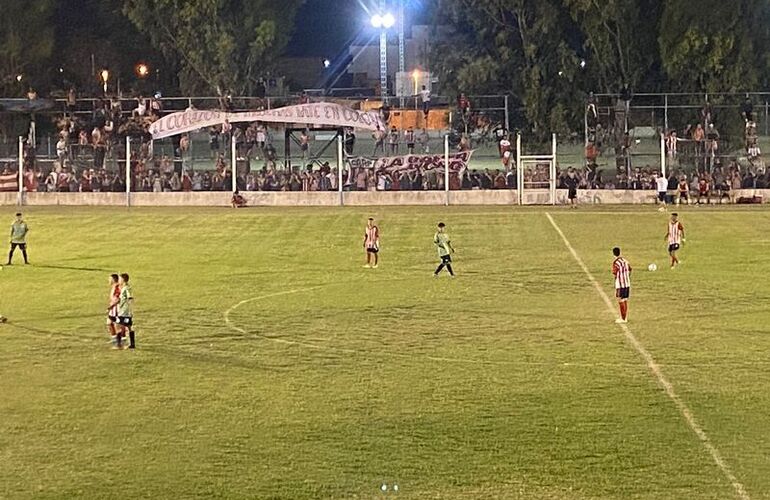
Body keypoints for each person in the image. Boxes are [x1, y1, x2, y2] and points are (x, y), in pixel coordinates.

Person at [109, 273, 135, 349]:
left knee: (118, 326)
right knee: (129, 327)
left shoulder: (126, 288)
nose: (119, 280)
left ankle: (119, 345)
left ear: (123, 280)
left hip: (124, 311)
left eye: (120, 279)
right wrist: (112, 306)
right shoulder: (124, 288)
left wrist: (129, 305)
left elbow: (130, 297)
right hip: (126, 311)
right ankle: (132, 344)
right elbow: (120, 299)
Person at [611, 247, 632, 324]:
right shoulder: (625, 261)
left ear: (613, 253)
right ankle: (625, 317)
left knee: (620, 301)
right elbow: (630, 270)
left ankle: (623, 319)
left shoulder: (616, 263)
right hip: (627, 283)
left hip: (620, 284)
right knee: (625, 300)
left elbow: (615, 273)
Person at [106, 274, 120, 346]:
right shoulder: (114, 287)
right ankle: (115, 339)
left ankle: (118, 340)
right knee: (109, 323)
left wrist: (111, 306)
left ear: (113, 280)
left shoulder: (117, 287)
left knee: (116, 324)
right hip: (113, 308)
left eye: (110, 279)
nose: (108, 280)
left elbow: (118, 299)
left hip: (116, 308)